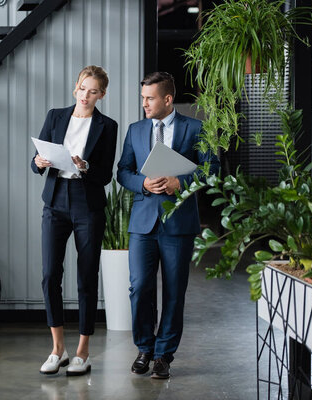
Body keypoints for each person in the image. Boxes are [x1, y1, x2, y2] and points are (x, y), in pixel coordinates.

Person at [117, 72, 219, 379]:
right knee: (139, 288)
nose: (144, 104)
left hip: (179, 224)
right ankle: (144, 348)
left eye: (149, 98)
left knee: (175, 292)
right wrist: (144, 183)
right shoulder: (135, 130)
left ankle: (163, 355)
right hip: (142, 224)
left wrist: (181, 181)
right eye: (143, 98)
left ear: (168, 99)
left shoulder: (196, 128)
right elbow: (122, 171)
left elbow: (212, 169)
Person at [31, 65, 118, 376]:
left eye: (93, 91)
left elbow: (106, 174)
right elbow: (36, 160)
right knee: (49, 274)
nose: (86, 95)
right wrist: (39, 161)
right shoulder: (55, 116)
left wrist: (84, 166)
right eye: (83, 88)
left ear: (102, 95)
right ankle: (58, 349)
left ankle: (83, 351)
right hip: (54, 202)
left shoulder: (107, 126)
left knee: (86, 277)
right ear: (75, 88)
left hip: (87, 203)